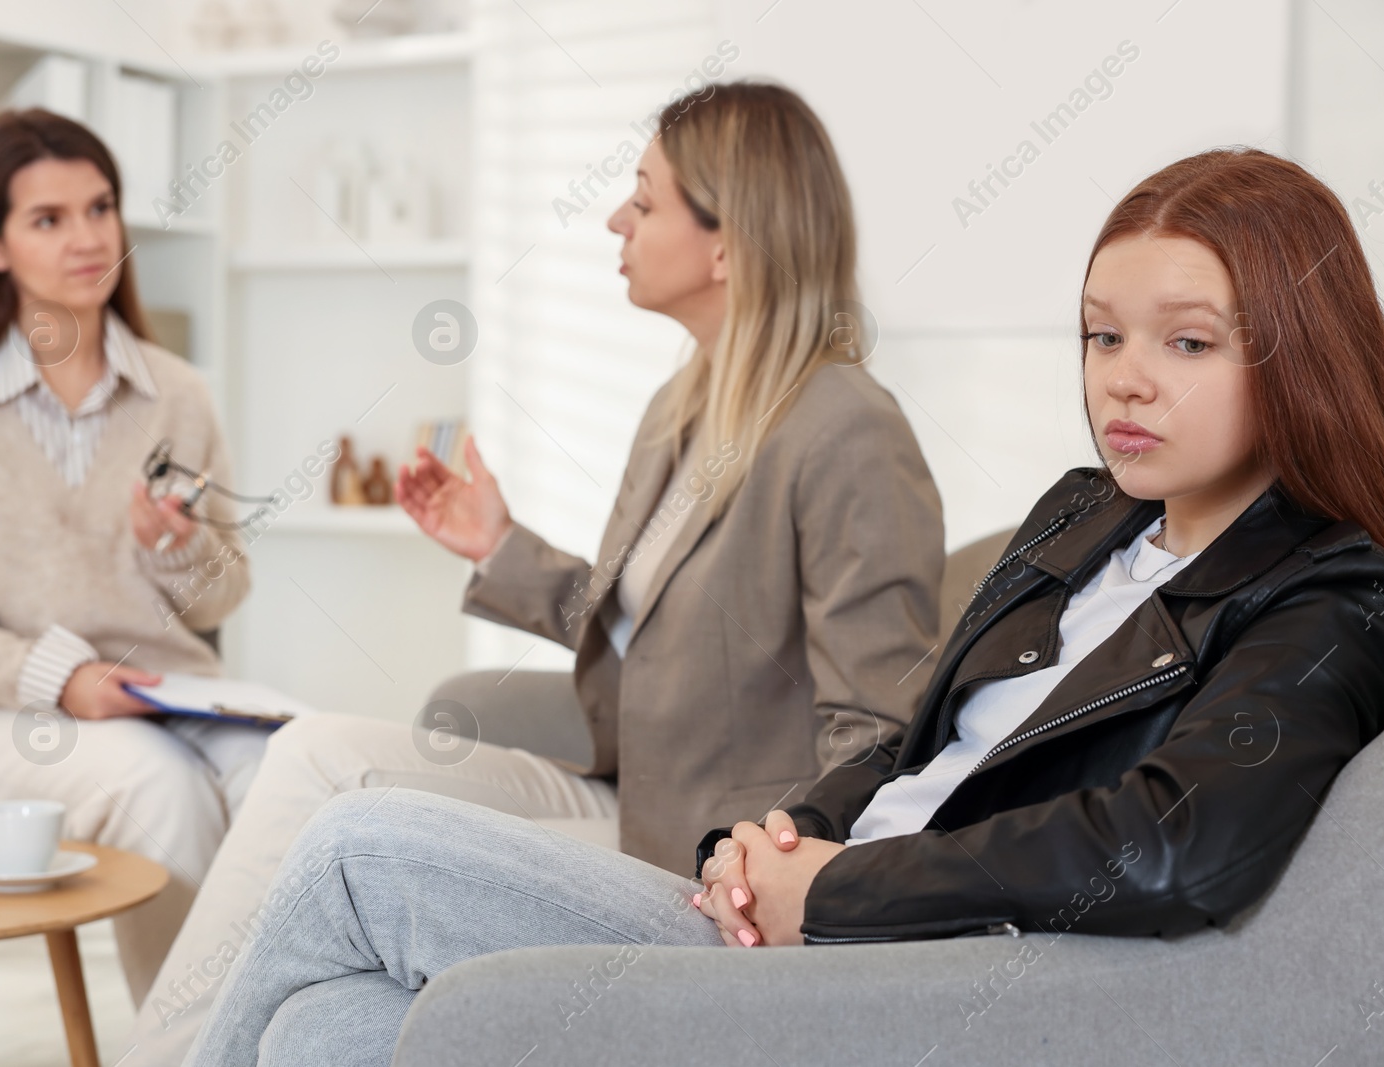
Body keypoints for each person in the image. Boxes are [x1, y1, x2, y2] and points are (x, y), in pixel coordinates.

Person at [183, 145, 1384, 1065]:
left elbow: (1168, 838)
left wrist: (834, 890)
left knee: (360, 844)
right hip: (801, 894)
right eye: (1102, 336)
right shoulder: (1084, 513)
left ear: (1297, 351)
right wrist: (777, 835)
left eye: (1187, 343)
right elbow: (917, 737)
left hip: (895, 957)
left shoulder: (1340, 592)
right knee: (328, 1029)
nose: (1124, 381)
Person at [129, 81, 945, 1059]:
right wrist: (500, 544)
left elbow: (880, 729)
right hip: (624, 791)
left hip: (708, 857)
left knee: (331, 992)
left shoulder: (845, 428)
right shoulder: (684, 405)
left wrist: (782, 885)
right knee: (311, 755)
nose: (616, 218)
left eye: (644, 200)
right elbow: (657, 626)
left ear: (727, 244)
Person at [0, 109, 265, 1003]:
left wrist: (176, 550)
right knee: (155, 786)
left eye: (101, 208)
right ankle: (190, 1049)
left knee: (286, 772)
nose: (89, 239)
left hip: (164, 693)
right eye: (49, 219)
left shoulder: (179, 393)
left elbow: (222, 596)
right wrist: (63, 678)